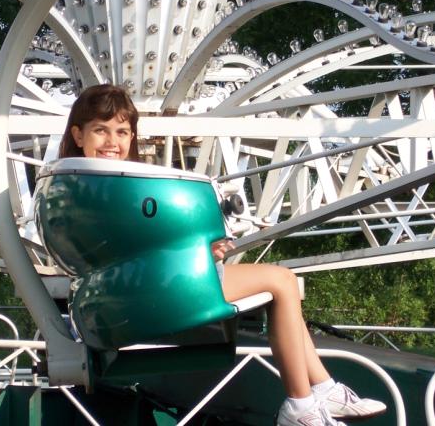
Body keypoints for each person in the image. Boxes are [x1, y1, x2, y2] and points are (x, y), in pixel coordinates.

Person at [59, 84, 387, 426]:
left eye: (122, 132)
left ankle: (321, 390)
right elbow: (134, 247)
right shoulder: (105, 186)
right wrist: (198, 253)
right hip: (144, 291)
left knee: (282, 289)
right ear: (79, 134)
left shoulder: (82, 184)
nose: (112, 141)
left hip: (136, 288)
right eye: (101, 130)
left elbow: (137, 244)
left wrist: (202, 253)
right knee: (281, 281)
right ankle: (303, 401)